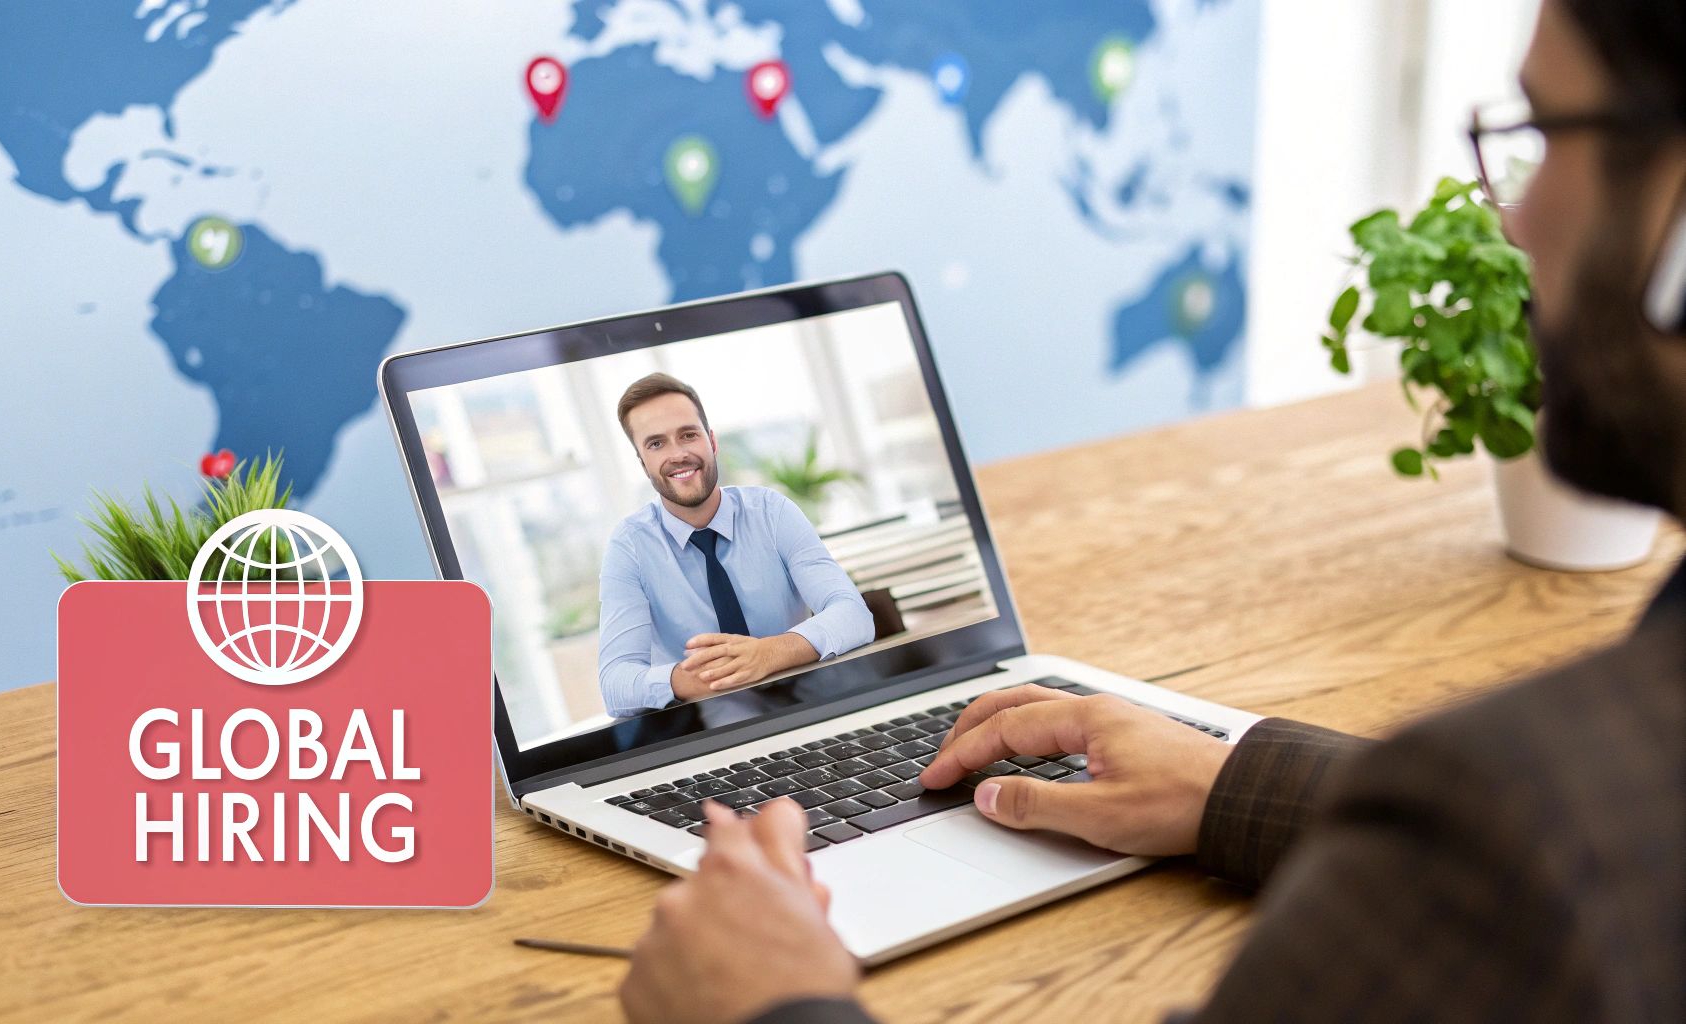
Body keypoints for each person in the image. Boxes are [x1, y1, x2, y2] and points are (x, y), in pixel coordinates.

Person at [619, 1, 1686, 1020]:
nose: (1512, 218)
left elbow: (845, 616)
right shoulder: (1553, 804)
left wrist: (772, 1007)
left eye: (1546, 134)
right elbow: (614, 683)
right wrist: (1238, 785)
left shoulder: (1532, 817)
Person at [598, 373, 876, 721]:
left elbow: (854, 616)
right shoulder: (630, 548)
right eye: (656, 444)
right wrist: (694, 678)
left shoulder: (772, 513)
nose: (678, 454)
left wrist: (768, 654)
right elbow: (615, 684)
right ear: (642, 463)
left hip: (813, 698)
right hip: (719, 721)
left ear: (711, 441)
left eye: (688, 434)